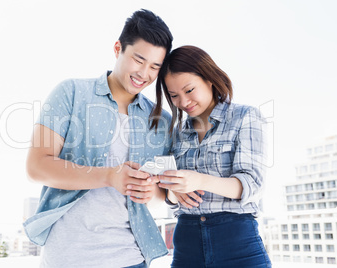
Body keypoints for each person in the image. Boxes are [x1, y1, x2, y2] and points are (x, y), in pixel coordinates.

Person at [23, 9, 173, 268]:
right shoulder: (71, 93)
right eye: (139, 60)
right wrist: (108, 175)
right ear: (118, 49)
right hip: (68, 257)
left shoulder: (161, 120)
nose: (144, 74)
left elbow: (163, 193)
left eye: (155, 67)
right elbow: (36, 167)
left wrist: (153, 191)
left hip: (132, 258)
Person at [150, 45, 272, 267]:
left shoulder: (245, 117)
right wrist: (174, 191)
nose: (183, 102)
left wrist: (200, 180)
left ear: (209, 78)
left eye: (189, 90)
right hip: (186, 242)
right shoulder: (176, 133)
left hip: (237, 243)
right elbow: (168, 194)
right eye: (174, 95)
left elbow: (252, 184)